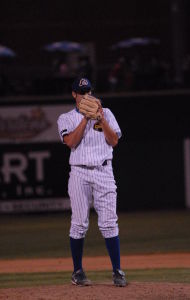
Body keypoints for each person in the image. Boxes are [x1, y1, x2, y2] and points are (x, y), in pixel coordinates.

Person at [57, 77, 127, 287]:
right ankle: (77, 272)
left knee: (108, 223)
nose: (84, 95)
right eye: (81, 92)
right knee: (79, 224)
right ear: (73, 94)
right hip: (79, 173)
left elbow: (113, 141)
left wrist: (101, 118)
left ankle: (118, 271)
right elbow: (70, 142)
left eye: (87, 91)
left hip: (104, 171)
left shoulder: (107, 113)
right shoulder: (66, 118)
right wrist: (85, 119)